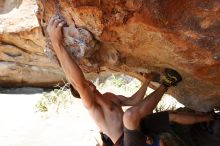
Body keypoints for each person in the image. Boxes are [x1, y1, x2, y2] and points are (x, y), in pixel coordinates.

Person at [47, 16, 217, 146]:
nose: (89, 84)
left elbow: (133, 101)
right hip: (125, 142)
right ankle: (167, 84)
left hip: (137, 127)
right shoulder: (93, 107)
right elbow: (79, 82)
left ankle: (207, 118)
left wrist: (146, 81)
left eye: (88, 84)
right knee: (129, 117)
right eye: (84, 88)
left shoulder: (108, 96)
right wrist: (57, 43)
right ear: (83, 93)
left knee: (171, 116)